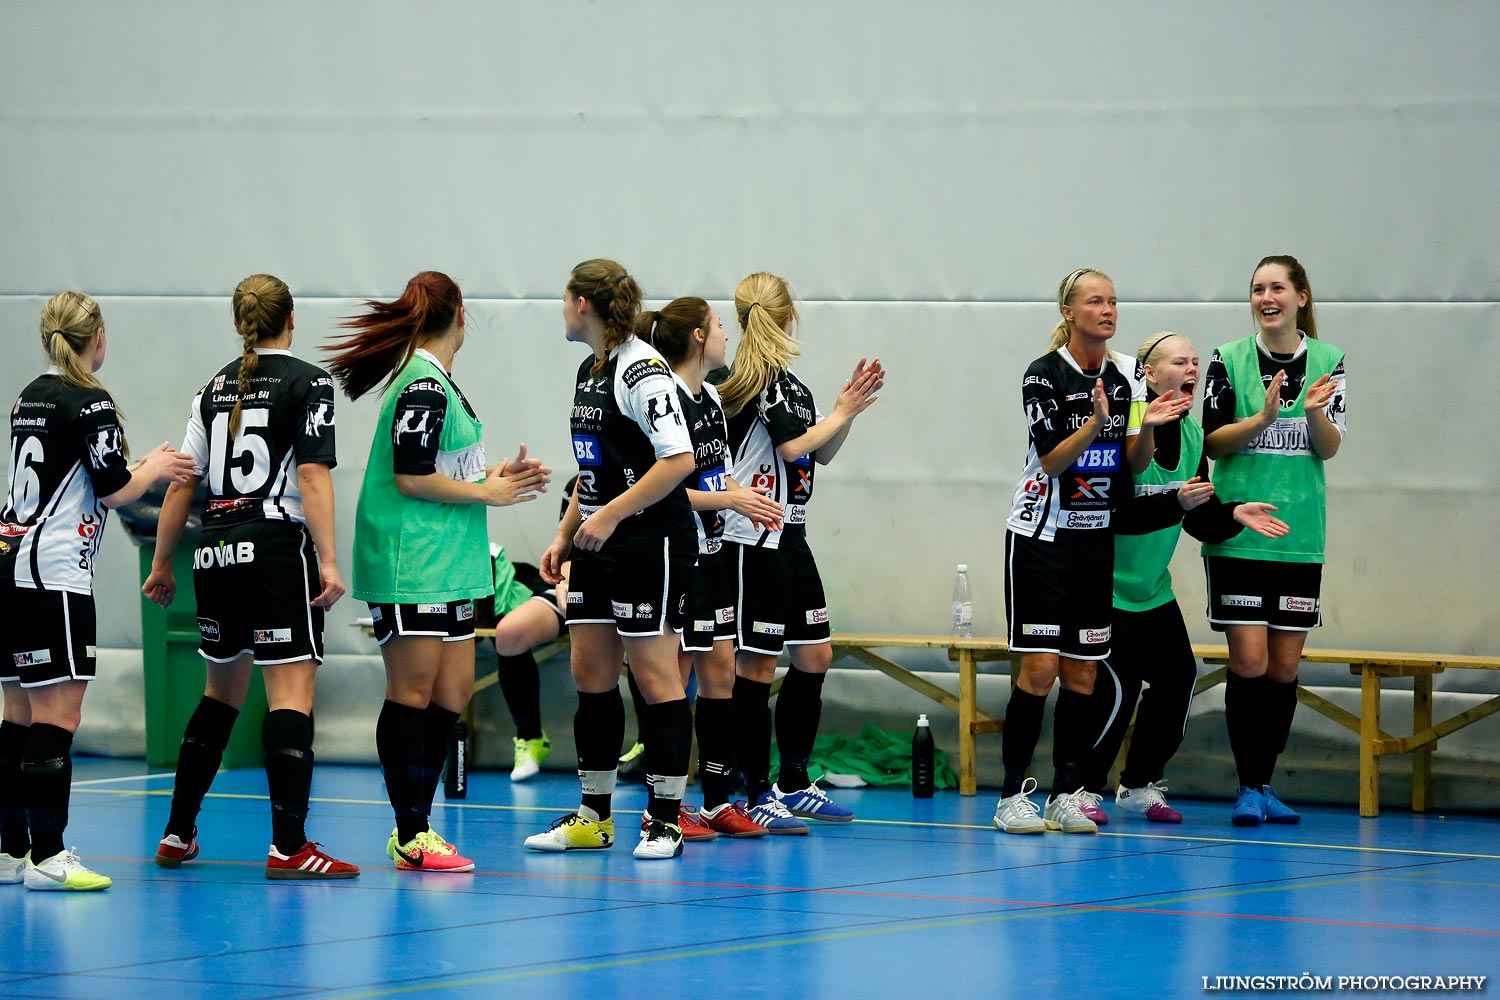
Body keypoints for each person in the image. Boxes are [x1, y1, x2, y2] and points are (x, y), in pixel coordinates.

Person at [324, 270, 549, 871]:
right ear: (461, 316)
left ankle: (414, 833)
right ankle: (412, 831)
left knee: (450, 695)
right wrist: (487, 496)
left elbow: (441, 467)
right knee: (412, 693)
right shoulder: (421, 384)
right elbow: (410, 476)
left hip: (452, 563)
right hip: (412, 562)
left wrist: (493, 479)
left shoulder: (441, 383)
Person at [143, 274, 359, 879]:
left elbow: (183, 481)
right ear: (292, 319)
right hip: (272, 546)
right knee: (290, 697)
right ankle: (290, 847)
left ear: (241, 325)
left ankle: (178, 833)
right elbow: (312, 475)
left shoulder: (211, 389)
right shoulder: (309, 382)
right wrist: (330, 558)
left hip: (215, 548)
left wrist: (163, 564)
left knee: (220, 695)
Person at [0, 291, 195, 890]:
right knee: (59, 715)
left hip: (9, 562)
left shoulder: (29, 396)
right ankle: (48, 858)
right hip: (51, 575)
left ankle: (12, 852)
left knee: (17, 715)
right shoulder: (90, 402)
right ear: (98, 336)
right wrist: (157, 467)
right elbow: (115, 489)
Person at [992, 267, 1180, 836]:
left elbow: (1134, 463)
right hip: (1041, 540)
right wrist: (1095, 421)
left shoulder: (1126, 381)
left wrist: (1148, 425)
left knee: (1083, 677)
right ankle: (1010, 796)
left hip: (1094, 542)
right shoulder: (1043, 375)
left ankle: (1065, 792)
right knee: (1040, 670)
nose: (1108, 310)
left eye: (1114, 302)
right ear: (1069, 313)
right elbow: (1051, 459)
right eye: (1096, 302)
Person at [524, 259, 698, 860]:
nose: (561, 310)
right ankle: (593, 816)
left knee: (655, 679)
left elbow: (678, 460)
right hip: (597, 541)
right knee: (589, 675)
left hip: (650, 541)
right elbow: (592, 470)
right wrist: (568, 531)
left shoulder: (642, 368)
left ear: (581, 305)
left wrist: (612, 515)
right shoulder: (589, 369)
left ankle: (664, 820)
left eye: (563, 299)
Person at [1081, 332, 1289, 824]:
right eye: (1180, 361)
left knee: (1178, 678)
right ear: (1149, 375)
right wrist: (1176, 503)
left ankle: (1137, 784)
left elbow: (1194, 514)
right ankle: (1082, 788)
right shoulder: (1124, 429)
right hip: (1103, 586)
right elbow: (1114, 512)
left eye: (1196, 361)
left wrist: (1233, 512)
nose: (1192, 368)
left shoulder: (1194, 435)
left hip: (1151, 589)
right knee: (1122, 683)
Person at [717, 272, 884, 834]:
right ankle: (755, 788)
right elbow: (791, 445)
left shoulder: (791, 384)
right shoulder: (744, 380)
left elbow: (818, 454)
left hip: (792, 534)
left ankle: (793, 780)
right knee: (757, 664)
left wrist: (846, 412)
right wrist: (836, 415)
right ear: (789, 315)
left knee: (815, 655)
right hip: (752, 539)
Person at [1202, 255, 1346, 827]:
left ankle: (1265, 782)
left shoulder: (1330, 360)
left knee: (1285, 668)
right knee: (1252, 660)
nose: (1267, 297)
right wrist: (1262, 417)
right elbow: (1212, 442)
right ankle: (1246, 786)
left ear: (1301, 297)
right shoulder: (1227, 359)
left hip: (1299, 534)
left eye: (1278, 288)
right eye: (1258, 288)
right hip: (1240, 532)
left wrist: (1312, 415)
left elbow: (1330, 447)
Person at [642, 297, 784, 839]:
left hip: (715, 553)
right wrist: (730, 501)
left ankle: (716, 800)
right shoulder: (665, 399)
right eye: (721, 326)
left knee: (720, 673)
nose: (728, 334)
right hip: (676, 554)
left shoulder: (712, 403)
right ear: (699, 337)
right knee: (673, 681)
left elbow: (712, 482)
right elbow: (667, 493)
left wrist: (737, 496)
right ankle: (665, 804)